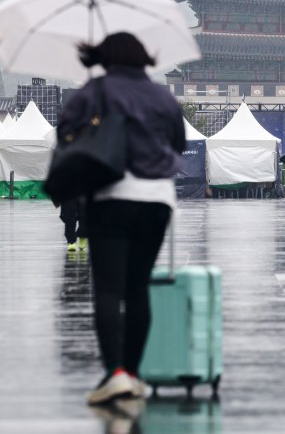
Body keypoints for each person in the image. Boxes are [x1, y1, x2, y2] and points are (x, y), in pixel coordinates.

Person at [57, 32, 187, 405]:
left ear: (104, 57)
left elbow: (65, 134)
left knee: (109, 289)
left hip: (111, 196)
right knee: (138, 287)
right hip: (156, 199)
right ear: (143, 58)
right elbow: (177, 144)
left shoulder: (93, 92)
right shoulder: (162, 97)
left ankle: (113, 373)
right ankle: (133, 373)